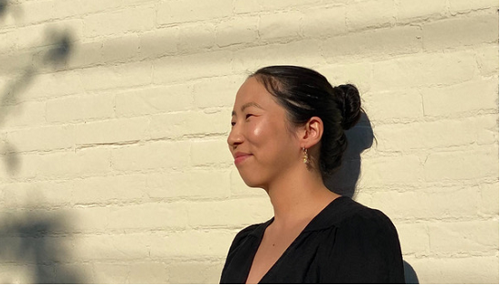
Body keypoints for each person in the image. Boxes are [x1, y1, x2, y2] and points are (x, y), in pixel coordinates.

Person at [220, 66, 404, 284]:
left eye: (249, 116)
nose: (233, 137)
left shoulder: (358, 232)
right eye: (233, 122)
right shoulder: (244, 245)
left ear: (309, 132)